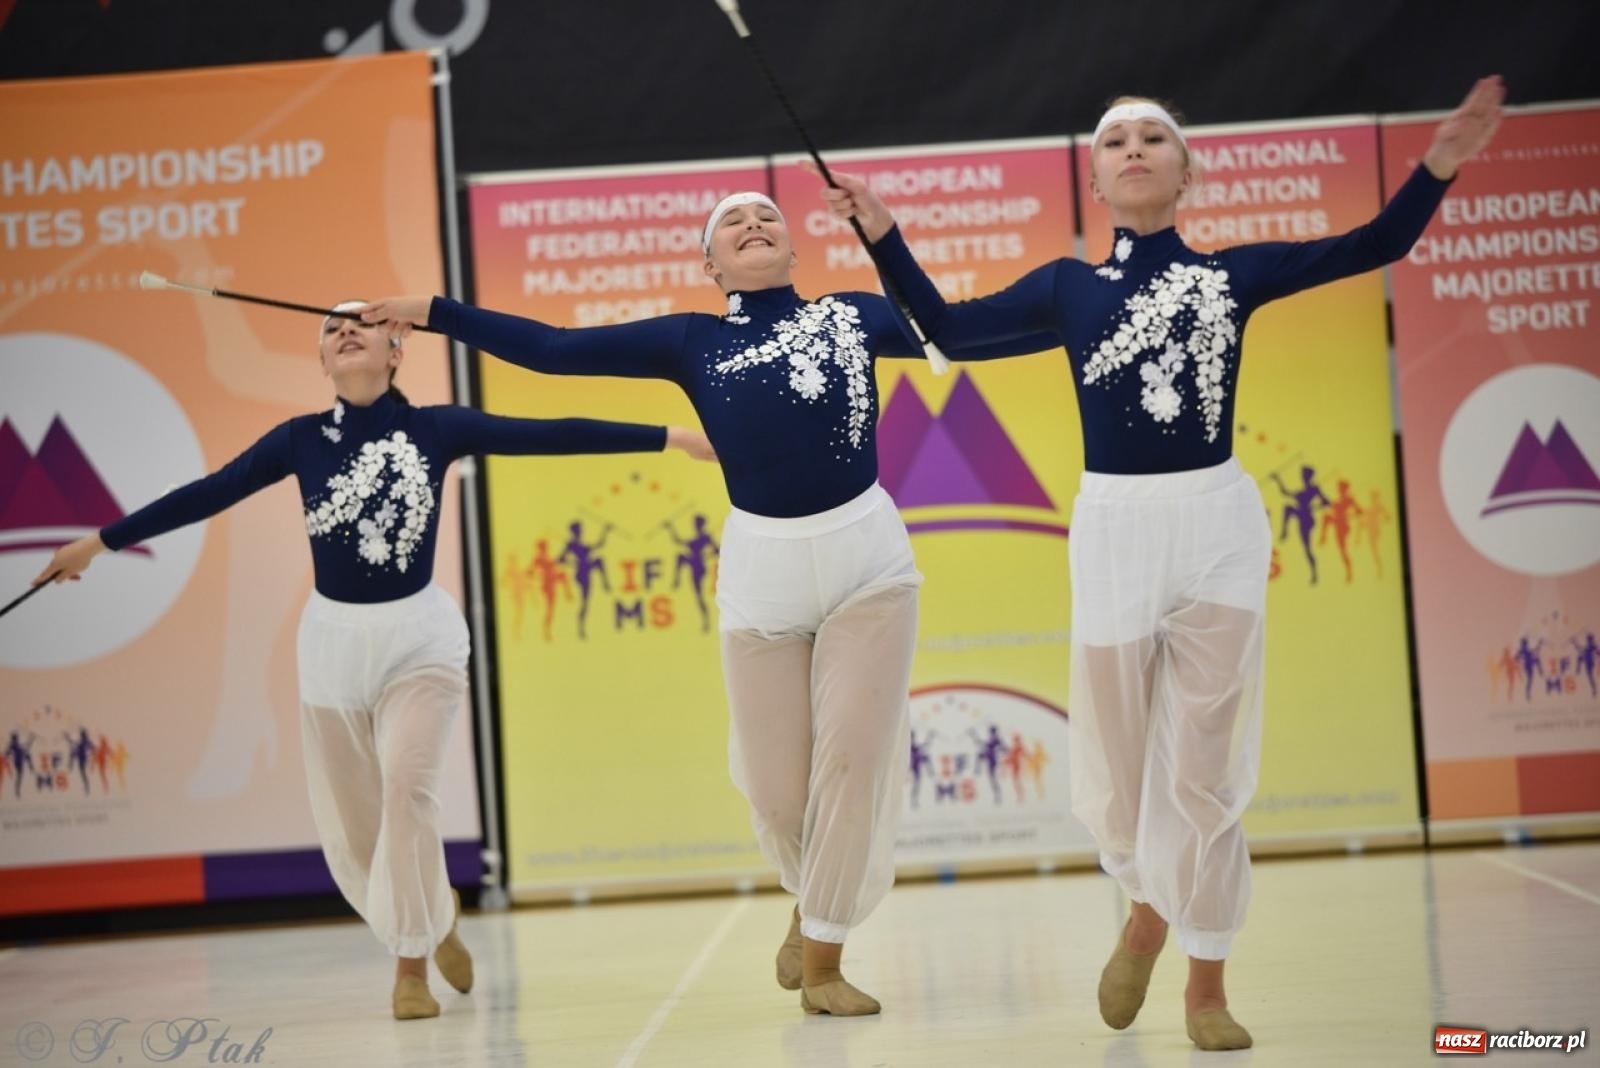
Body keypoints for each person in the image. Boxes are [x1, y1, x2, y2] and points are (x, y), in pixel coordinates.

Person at [816, 77, 1505, 1049]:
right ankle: (1145, 908)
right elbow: (952, 332)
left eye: (1153, 137)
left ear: (1187, 174)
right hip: (1115, 531)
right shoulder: (1067, 287)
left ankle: (1206, 985)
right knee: (1118, 771)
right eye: (1114, 141)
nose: (1133, 147)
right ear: (1096, 184)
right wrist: (883, 233)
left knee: (1207, 769)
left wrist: (1438, 164)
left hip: (1215, 525)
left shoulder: (1231, 276)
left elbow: (1374, 245)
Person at [359, 195, 1044, 1016]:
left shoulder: (852, 315)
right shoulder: (692, 339)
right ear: (709, 265)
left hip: (868, 562)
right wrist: (433, 311)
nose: (754, 223)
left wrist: (885, 239)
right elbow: (552, 349)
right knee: (777, 795)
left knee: (851, 762)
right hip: (764, 573)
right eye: (733, 222)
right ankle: (812, 899)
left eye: (768, 217)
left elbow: (949, 331)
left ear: (793, 248)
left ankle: (824, 961)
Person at [34, 304, 715, 1020]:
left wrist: (670, 438)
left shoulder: (437, 428)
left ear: (397, 351)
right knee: (361, 837)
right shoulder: (298, 440)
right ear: (323, 363)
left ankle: (409, 970)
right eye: (333, 329)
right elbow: (207, 494)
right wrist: (98, 544)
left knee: (406, 790)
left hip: (419, 640)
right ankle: (435, 914)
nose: (347, 331)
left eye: (363, 323)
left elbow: (551, 434)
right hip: (333, 646)